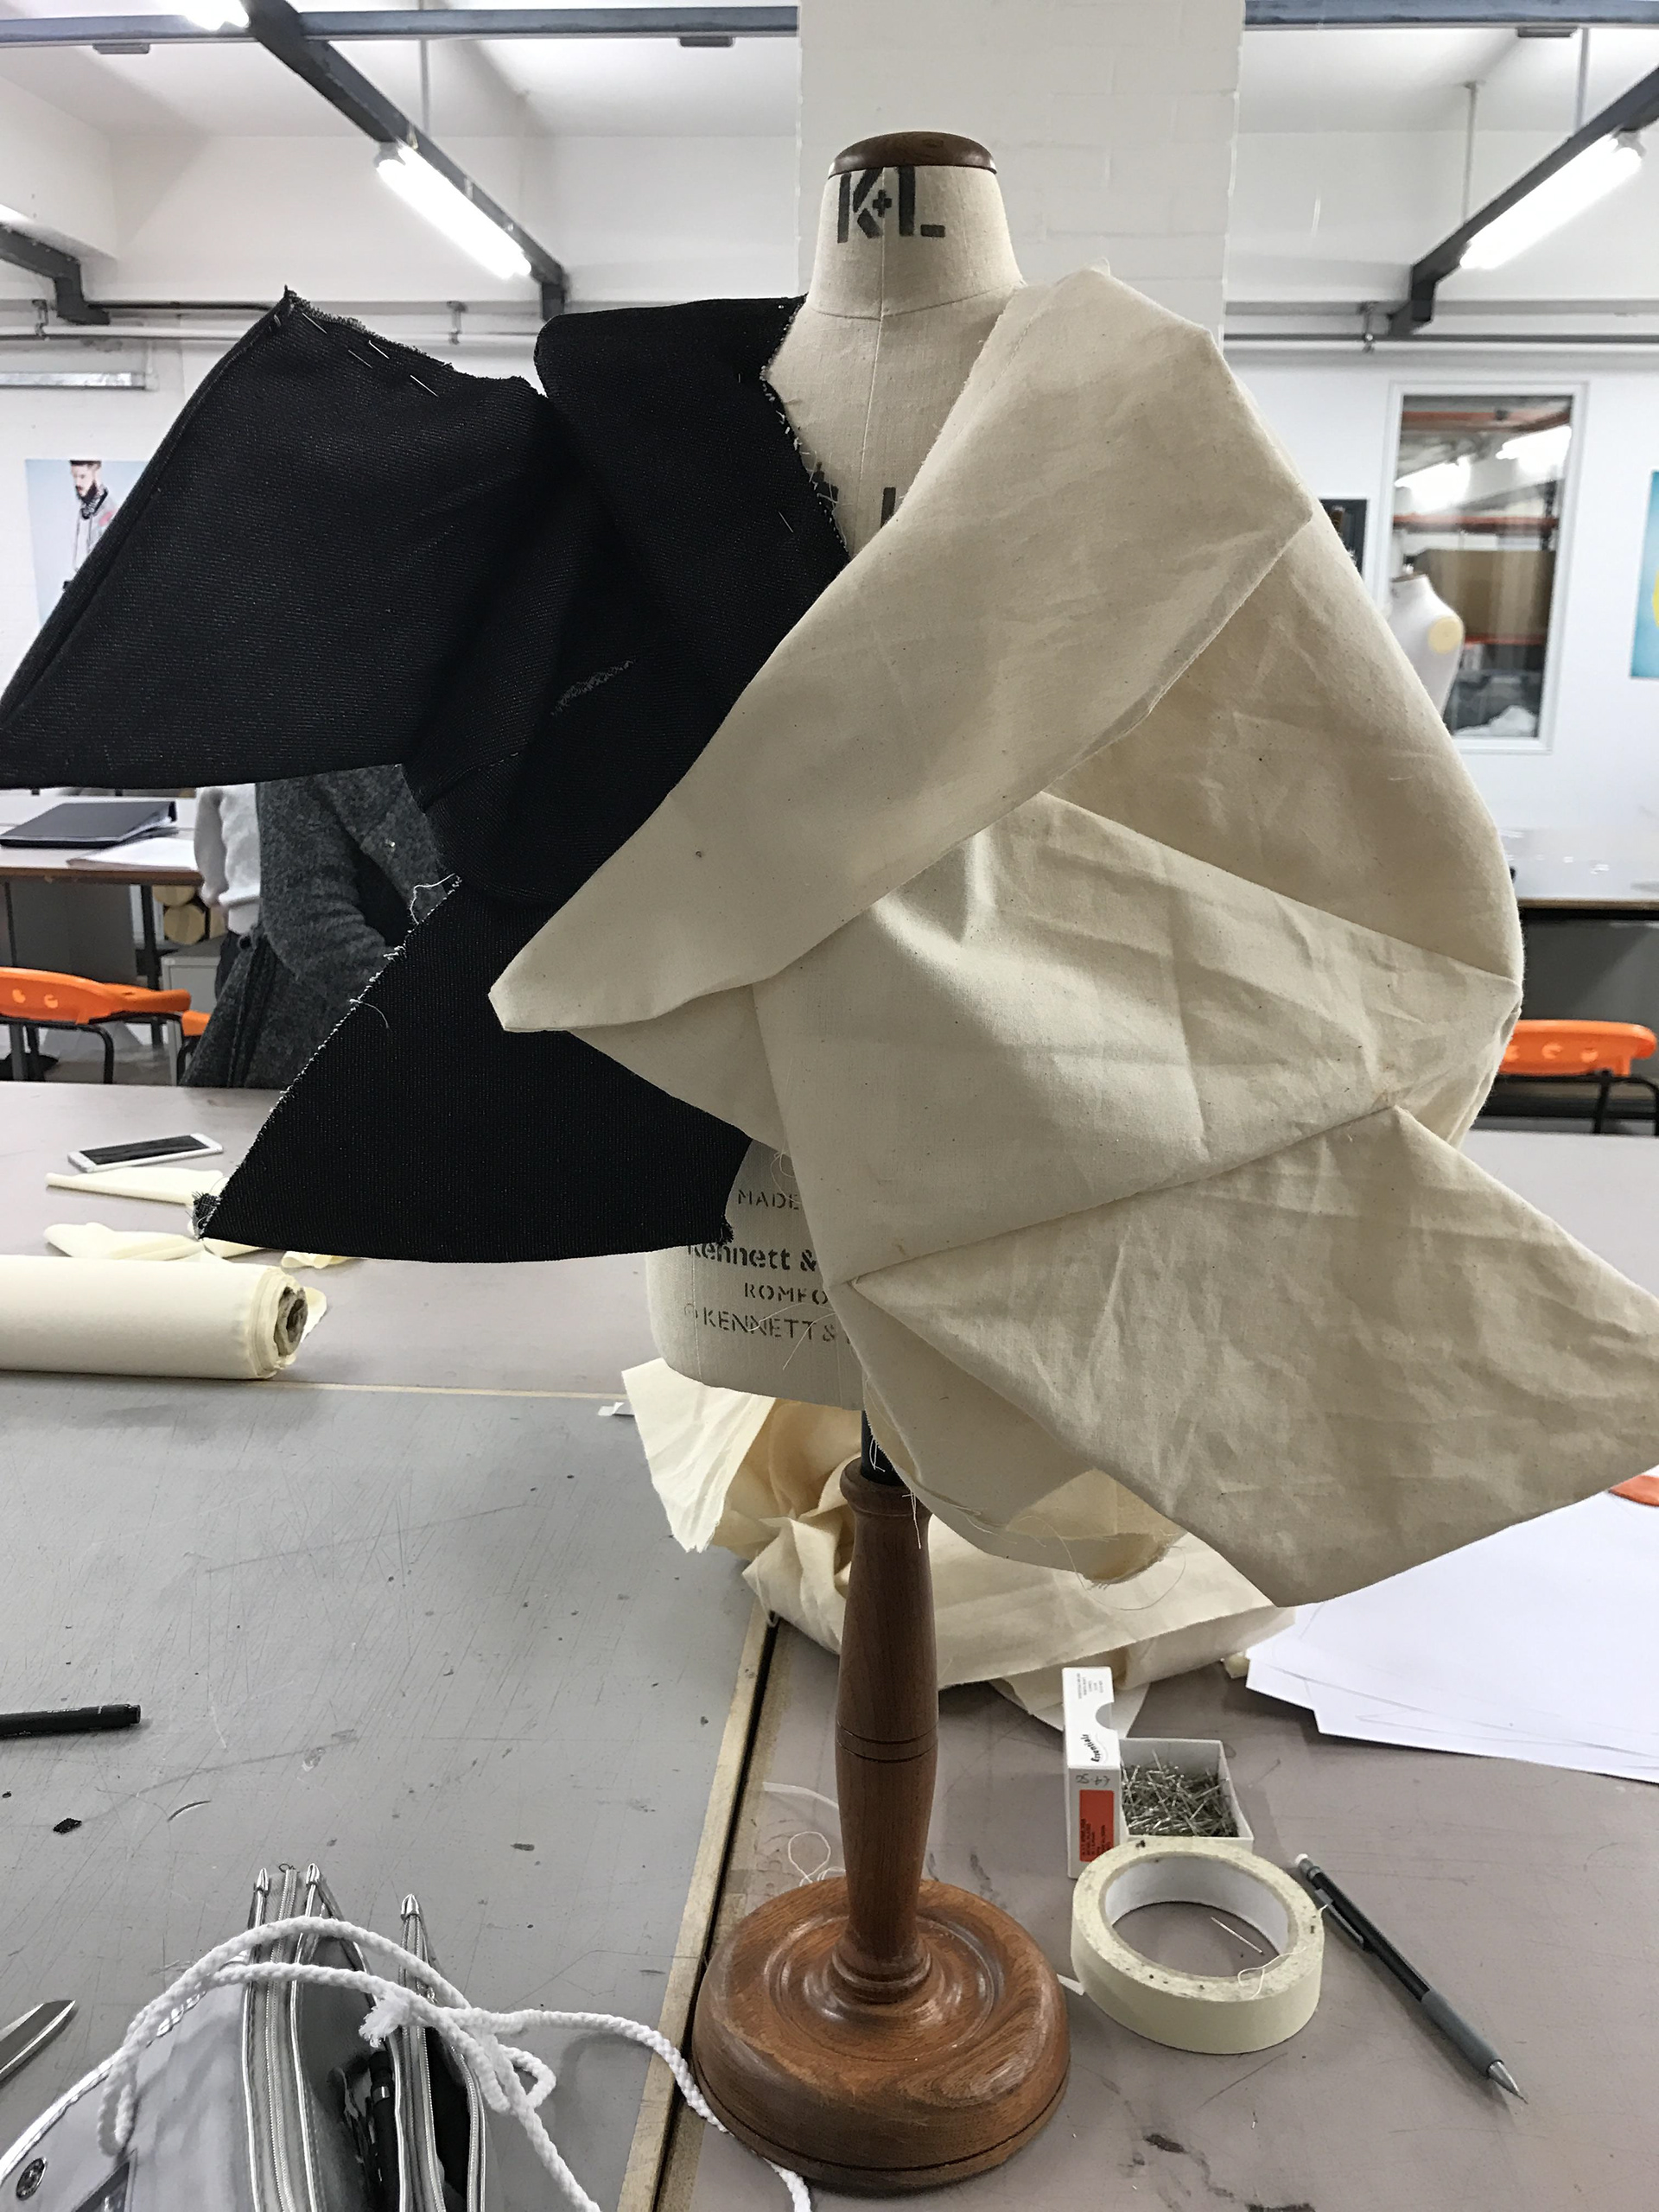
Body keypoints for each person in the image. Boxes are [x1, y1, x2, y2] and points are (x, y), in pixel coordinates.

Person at [186, 766, 446, 1090]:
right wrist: (451, 1005)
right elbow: (312, 928)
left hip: (423, 999)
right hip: (337, 1015)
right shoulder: (307, 755)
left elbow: (214, 883)